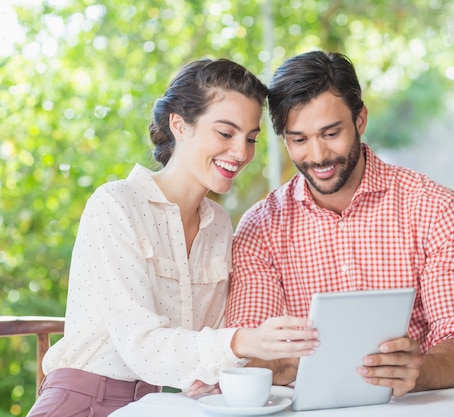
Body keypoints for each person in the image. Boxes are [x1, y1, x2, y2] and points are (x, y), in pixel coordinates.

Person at [27, 58, 319, 417]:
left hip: (160, 404)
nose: (242, 152)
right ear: (179, 125)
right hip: (82, 402)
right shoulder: (117, 204)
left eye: (251, 138)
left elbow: (198, 348)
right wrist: (243, 341)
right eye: (226, 133)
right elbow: (143, 345)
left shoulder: (219, 225)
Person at [225, 51, 454, 397]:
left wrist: (418, 371)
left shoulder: (436, 208)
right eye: (299, 140)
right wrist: (286, 363)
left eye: (331, 133)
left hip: (418, 403)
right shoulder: (260, 228)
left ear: (360, 120)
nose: (318, 156)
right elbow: (248, 354)